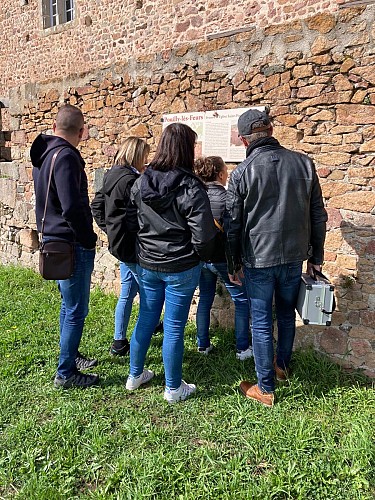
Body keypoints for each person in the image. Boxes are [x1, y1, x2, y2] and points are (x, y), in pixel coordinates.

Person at [225, 108, 327, 407]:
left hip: (258, 258)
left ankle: (266, 388)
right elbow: (318, 215)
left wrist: (233, 264)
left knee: (260, 321)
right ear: (270, 131)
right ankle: (280, 367)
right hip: (294, 256)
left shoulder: (242, 173)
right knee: (284, 314)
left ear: (245, 141)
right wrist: (316, 256)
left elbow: (233, 224)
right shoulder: (303, 164)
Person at [126, 123, 217, 403]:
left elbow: (133, 220)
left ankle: (134, 375)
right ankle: (173, 388)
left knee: (146, 318)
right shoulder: (190, 186)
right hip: (180, 265)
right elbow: (203, 235)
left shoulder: (141, 181)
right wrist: (204, 256)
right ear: (186, 149)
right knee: (174, 326)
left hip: (149, 262)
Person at [31, 104, 99, 389]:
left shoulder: (44, 155)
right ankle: (66, 373)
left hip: (53, 239)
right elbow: (71, 206)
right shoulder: (67, 156)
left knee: (68, 306)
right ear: (81, 131)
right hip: (70, 243)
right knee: (76, 310)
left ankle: (71, 356)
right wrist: (88, 238)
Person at [91, 137, 163, 357]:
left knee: (128, 291)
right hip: (132, 246)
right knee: (149, 293)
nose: (147, 160)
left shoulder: (112, 174)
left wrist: (111, 231)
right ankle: (139, 336)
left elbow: (97, 205)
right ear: (137, 155)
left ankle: (119, 340)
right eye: (145, 156)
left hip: (121, 244)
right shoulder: (130, 180)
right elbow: (137, 216)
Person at [194, 156, 252, 360]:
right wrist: (234, 263)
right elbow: (234, 232)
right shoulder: (227, 198)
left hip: (202, 258)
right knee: (241, 300)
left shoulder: (195, 196)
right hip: (222, 258)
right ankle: (242, 348)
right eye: (226, 171)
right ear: (220, 174)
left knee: (205, 299)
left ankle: (203, 344)